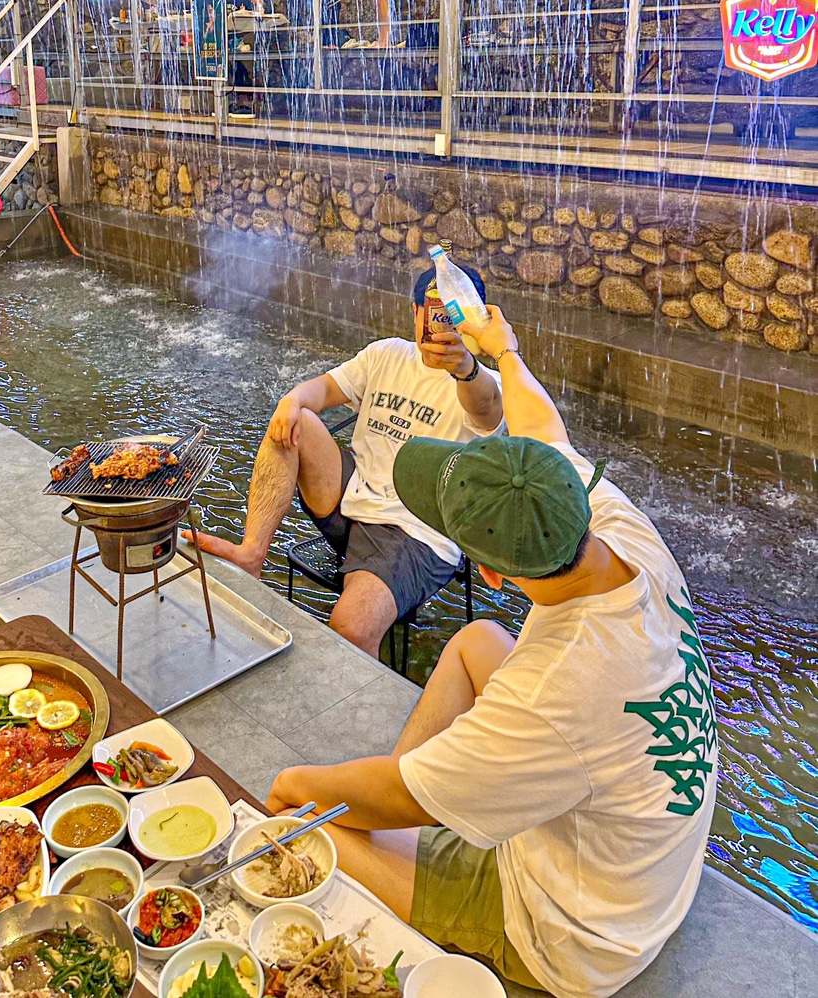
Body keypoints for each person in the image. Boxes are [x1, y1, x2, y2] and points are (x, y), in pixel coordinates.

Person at [267, 305, 718, 998]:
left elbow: (400, 795)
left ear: (493, 574)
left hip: (575, 931)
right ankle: (421, 805)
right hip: (644, 863)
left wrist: (297, 784)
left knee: (295, 823)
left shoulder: (552, 690)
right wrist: (504, 351)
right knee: (478, 640)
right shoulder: (622, 531)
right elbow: (542, 428)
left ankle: (409, 859)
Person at [187, 265, 503, 656]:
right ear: (416, 313)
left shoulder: (486, 384)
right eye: (435, 312)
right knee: (294, 419)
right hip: (350, 501)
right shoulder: (387, 353)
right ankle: (252, 554)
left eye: (456, 315)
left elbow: (485, 409)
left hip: (415, 532)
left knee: (351, 629)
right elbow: (322, 389)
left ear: (475, 323)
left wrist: (464, 369)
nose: (444, 326)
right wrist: (292, 399)